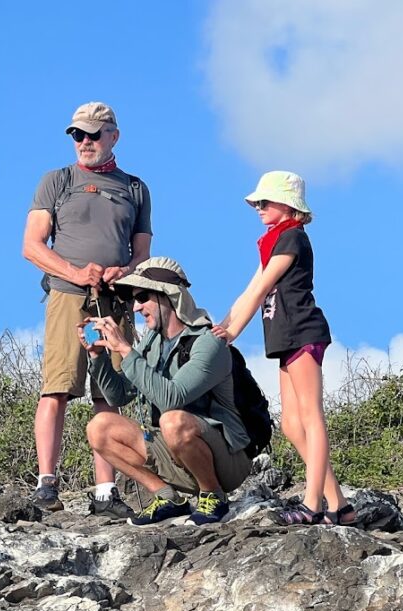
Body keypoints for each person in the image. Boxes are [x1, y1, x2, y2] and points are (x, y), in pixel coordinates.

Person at [23, 102, 152, 516]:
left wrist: (124, 271)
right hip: (67, 295)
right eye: (78, 135)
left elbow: (143, 257)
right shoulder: (56, 181)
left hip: (115, 301)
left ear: (114, 136)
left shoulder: (134, 188)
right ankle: (46, 484)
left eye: (93, 135)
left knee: (109, 393)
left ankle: (105, 492)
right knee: (57, 386)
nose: (84, 142)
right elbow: (32, 245)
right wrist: (76, 274)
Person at [212, 171, 354, 525]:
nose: (258, 208)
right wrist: (222, 327)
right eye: (257, 202)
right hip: (284, 338)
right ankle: (340, 504)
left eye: (265, 202)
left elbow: (261, 290)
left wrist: (232, 334)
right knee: (291, 425)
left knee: (310, 417)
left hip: (302, 333)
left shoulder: (292, 238)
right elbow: (250, 290)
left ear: (288, 205)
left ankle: (313, 503)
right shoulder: (274, 241)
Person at [82, 258, 251, 526]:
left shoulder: (208, 343)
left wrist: (126, 350)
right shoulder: (153, 342)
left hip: (227, 460)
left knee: (172, 420)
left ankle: (213, 496)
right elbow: (119, 396)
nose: (136, 307)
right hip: (175, 451)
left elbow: (172, 398)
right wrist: (98, 358)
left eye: (143, 297)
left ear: (169, 296)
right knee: (99, 427)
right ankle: (167, 497)